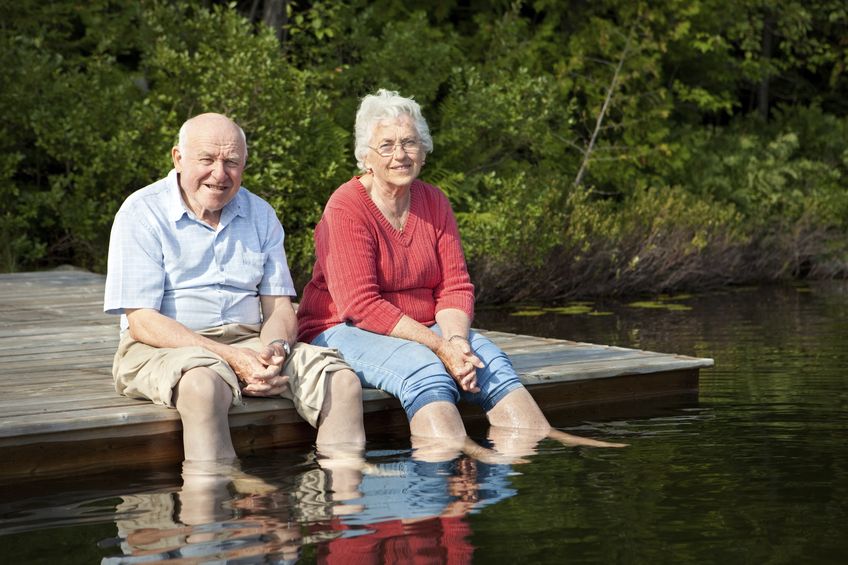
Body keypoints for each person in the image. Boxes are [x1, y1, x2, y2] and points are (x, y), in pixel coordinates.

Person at [296, 89, 625, 453]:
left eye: (409, 142)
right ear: (366, 158)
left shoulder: (434, 200)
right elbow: (361, 306)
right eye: (386, 145)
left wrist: (456, 343)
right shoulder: (346, 207)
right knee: (424, 368)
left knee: (492, 363)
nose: (400, 154)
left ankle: (544, 445)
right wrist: (439, 347)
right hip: (340, 328)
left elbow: (455, 286)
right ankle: (451, 466)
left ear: (423, 150)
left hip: (423, 328)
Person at [104, 112, 365, 463]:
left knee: (341, 382)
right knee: (202, 385)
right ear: (178, 158)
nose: (219, 173)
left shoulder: (260, 214)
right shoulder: (141, 213)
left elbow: (279, 308)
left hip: (249, 341)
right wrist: (231, 359)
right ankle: (215, 498)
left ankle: (344, 503)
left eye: (231, 162)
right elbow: (143, 322)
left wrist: (276, 351)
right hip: (162, 346)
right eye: (207, 160)